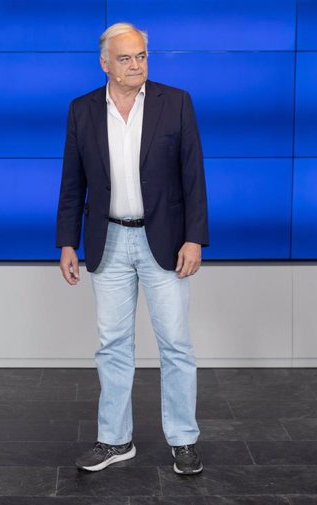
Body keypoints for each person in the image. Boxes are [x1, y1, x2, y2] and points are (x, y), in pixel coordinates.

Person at [56, 22, 209, 475]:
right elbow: (72, 184)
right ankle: (115, 440)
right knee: (113, 345)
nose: (136, 64)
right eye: (125, 58)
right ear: (105, 63)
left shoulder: (176, 102)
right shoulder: (82, 110)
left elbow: (193, 176)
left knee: (176, 345)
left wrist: (195, 237)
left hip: (164, 240)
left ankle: (183, 440)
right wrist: (68, 241)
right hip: (108, 239)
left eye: (142, 55)